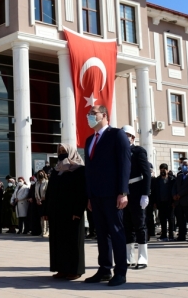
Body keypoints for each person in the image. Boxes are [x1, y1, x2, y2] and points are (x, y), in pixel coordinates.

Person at [83, 105, 131, 287]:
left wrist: (123, 192)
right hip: (95, 196)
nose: (89, 117)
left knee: (116, 232)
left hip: (113, 194)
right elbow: (89, 170)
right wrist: (89, 196)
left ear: (104, 115)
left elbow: (125, 164)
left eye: (92, 114)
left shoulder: (116, 135)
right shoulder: (89, 140)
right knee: (102, 234)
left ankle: (120, 272)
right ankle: (104, 269)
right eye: (88, 114)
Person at [43, 143, 87, 281]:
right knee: (58, 241)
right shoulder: (56, 170)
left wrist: (78, 210)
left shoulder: (79, 170)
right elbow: (49, 192)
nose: (62, 153)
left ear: (71, 152)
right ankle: (61, 269)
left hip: (72, 212)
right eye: (60, 151)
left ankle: (75, 270)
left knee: (73, 241)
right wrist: (46, 211)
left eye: (64, 151)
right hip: (56, 213)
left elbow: (82, 192)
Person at [120, 125, 151, 269]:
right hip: (124, 191)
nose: (125, 137)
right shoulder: (118, 152)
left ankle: (143, 257)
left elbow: (147, 173)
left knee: (140, 224)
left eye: (127, 135)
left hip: (137, 190)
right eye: (123, 134)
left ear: (133, 137)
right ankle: (129, 257)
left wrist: (145, 193)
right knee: (127, 225)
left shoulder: (139, 151)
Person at [173, 162, 188, 241]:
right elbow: (175, 186)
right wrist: (174, 194)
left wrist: (180, 194)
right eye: (183, 165)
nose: (184, 167)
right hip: (178, 202)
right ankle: (181, 236)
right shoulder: (179, 176)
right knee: (180, 220)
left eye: (186, 165)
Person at [153, 164, 175, 241]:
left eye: (164, 170)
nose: (163, 171)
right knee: (162, 219)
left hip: (170, 202)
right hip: (161, 202)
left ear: (167, 170)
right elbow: (154, 192)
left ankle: (171, 235)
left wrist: (173, 201)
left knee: (171, 219)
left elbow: (174, 191)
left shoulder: (172, 179)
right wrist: (155, 202)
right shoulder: (157, 180)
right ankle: (164, 235)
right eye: (161, 169)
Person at [35, 170, 49, 237]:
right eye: (39, 173)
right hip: (39, 202)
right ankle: (42, 231)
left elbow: (48, 191)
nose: (40, 174)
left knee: (45, 217)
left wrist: (44, 197)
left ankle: (47, 231)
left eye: (41, 173)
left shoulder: (46, 182)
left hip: (45, 201)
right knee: (41, 217)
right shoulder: (37, 183)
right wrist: (37, 199)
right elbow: (36, 192)